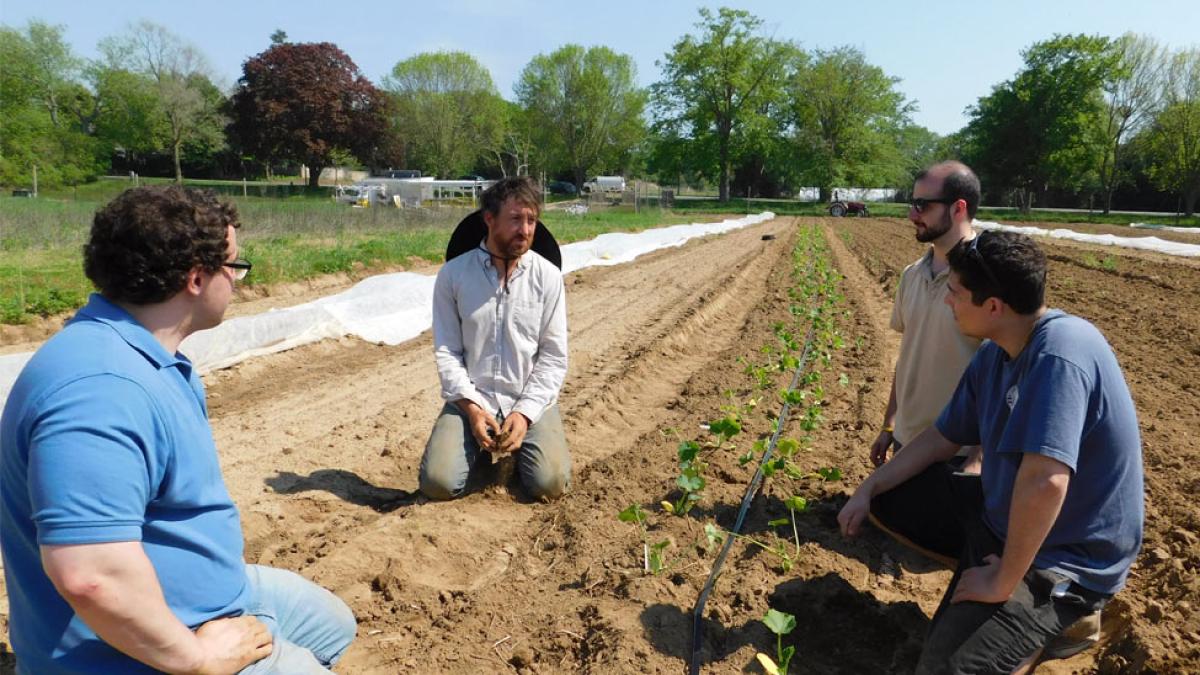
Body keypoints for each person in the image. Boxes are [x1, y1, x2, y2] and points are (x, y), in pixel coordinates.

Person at [0, 186, 356, 674]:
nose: (238, 281)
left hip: (193, 600)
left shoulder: (149, 358)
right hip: (131, 655)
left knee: (330, 624)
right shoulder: (101, 391)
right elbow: (91, 578)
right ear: (195, 278)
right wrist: (197, 659)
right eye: (234, 267)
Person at [838, 230, 1143, 674]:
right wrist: (869, 487)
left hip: (1065, 556)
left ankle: (1058, 616)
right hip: (1005, 517)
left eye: (956, 293)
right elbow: (941, 438)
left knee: (950, 669)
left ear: (994, 307)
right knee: (892, 496)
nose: (948, 302)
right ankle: (994, 596)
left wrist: (1003, 580)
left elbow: (1046, 482)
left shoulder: (1059, 355)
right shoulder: (995, 353)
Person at [419, 176, 570, 500]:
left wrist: (525, 413)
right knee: (438, 484)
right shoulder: (453, 276)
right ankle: (476, 457)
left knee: (550, 484)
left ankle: (521, 453)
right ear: (490, 219)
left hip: (528, 399)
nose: (526, 230)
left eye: (531, 220)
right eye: (516, 219)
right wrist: (473, 409)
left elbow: (554, 356)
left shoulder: (549, 277)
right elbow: (447, 351)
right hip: (472, 399)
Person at [868, 161, 983, 565]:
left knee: (945, 559)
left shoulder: (987, 278)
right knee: (901, 542)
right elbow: (909, 355)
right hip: (909, 443)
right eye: (911, 203)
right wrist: (889, 424)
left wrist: (979, 456)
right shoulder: (911, 275)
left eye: (922, 204)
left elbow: (1010, 369)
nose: (911, 213)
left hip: (959, 452)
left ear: (958, 208)